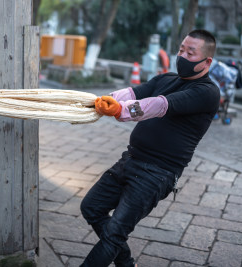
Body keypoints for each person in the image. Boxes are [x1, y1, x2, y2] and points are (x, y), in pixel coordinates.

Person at [80, 29, 220, 267]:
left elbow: (159, 105)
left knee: (115, 233)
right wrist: (104, 100)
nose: (183, 56)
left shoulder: (206, 92)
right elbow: (133, 93)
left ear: (206, 61)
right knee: (91, 207)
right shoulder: (166, 79)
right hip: (130, 159)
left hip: (156, 174)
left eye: (190, 53)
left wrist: (120, 110)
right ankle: (126, 264)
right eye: (181, 49)